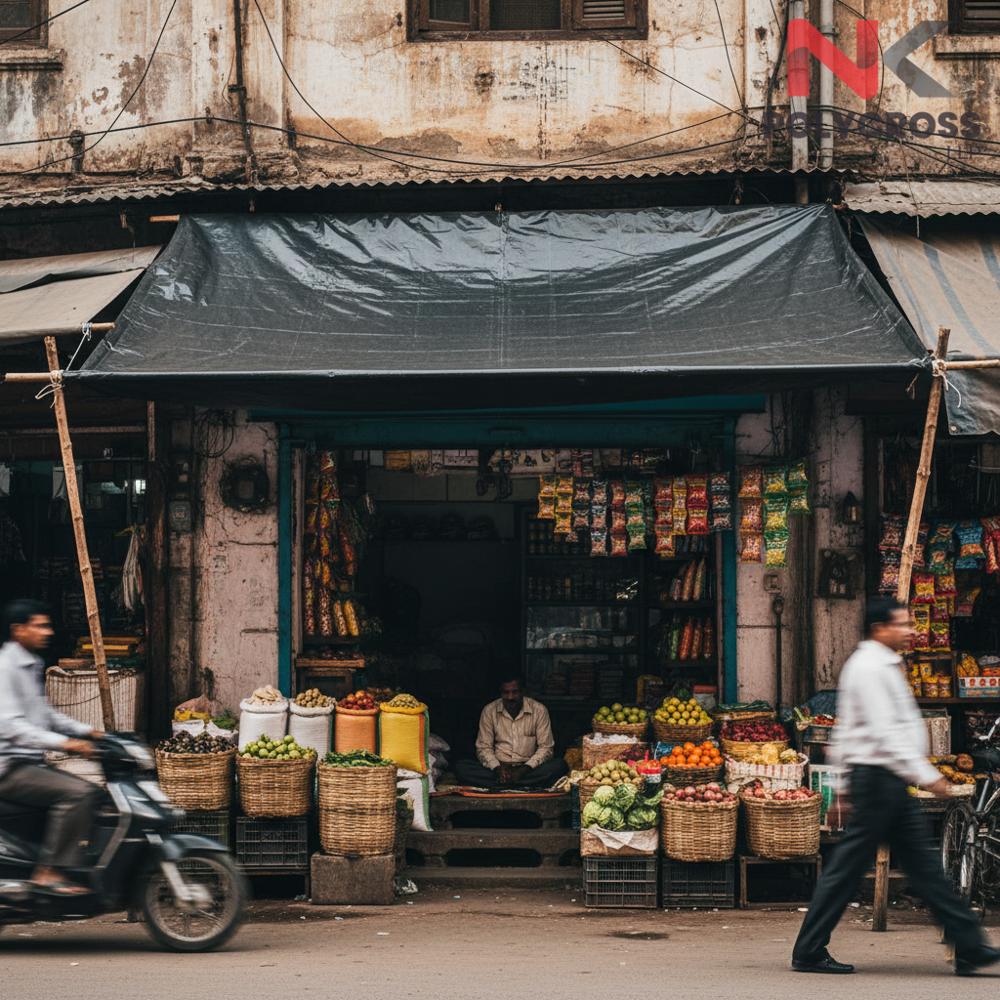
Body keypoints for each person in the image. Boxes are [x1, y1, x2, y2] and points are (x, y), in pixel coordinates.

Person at [792, 597, 1000, 977]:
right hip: (878, 780)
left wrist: (844, 787)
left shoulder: (882, 664)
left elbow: (851, 731)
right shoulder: (870, 667)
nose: (910, 630)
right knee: (858, 869)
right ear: (880, 628)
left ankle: (969, 946)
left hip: (881, 780)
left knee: (919, 867)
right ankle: (808, 950)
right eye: (902, 624)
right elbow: (884, 733)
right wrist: (926, 775)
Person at [0, 600, 104, 895]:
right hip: (9, 768)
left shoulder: (31, 664)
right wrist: (67, 743)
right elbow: (10, 726)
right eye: (40, 625)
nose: (48, 632)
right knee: (80, 793)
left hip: (29, 763)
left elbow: (45, 715)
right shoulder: (5, 668)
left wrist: (90, 733)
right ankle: (49, 872)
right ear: (18, 630)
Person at [453, 674, 568, 789]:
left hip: (528, 769)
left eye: (515, 692)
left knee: (559, 765)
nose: (510, 697)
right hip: (497, 770)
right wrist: (498, 768)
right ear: (500, 693)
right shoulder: (489, 711)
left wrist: (523, 770)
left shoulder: (539, 710)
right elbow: (484, 747)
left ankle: (503, 784)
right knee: (461, 768)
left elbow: (546, 747)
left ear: (523, 691)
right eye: (506, 692)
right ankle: (521, 784)